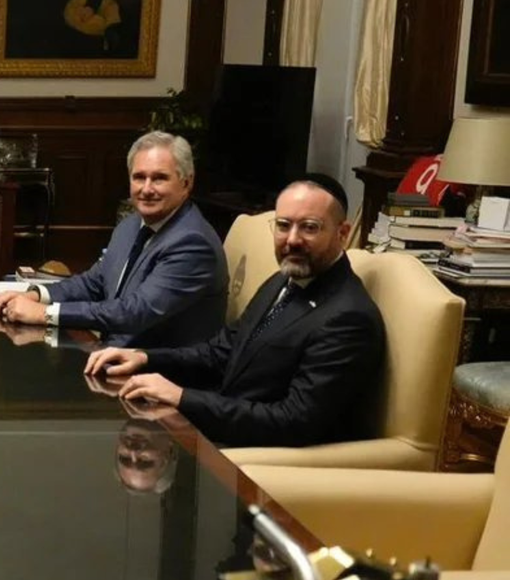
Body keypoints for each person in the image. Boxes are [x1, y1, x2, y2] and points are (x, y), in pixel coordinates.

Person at [85, 175, 386, 447]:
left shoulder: (348, 317)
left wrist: (182, 397)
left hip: (260, 458)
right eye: (283, 226)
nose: (292, 239)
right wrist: (144, 357)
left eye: (309, 228)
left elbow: (293, 422)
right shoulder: (285, 278)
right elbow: (221, 351)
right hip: (225, 429)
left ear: (342, 233)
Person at [0, 131, 226, 348]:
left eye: (159, 178)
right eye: (139, 177)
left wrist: (45, 313)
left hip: (162, 374)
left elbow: (135, 312)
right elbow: (94, 283)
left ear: (186, 183)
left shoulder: (192, 242)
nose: (146, 189)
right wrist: (35, 294)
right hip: (114, 354)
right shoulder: (131, 225)